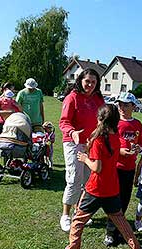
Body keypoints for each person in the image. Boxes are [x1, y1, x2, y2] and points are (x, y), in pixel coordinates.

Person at [64, 104, 142, 249]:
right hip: (112, 189)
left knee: (77, 220)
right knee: (121, 222)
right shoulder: (116, 138)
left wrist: (84, 159)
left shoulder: (98, 140)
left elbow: (97, 167)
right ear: (116, 121)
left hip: (95, 189)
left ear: (99, 119)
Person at [59, 68, 104, 232]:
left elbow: (103, 119)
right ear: (80, 81)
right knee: (74, 179)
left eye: (93, 82)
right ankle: (65, 215)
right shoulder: (72, 98)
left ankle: (81, 212)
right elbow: (63, 122)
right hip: (73, 143)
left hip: (91, 144)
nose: (90, 85)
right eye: (87, 81)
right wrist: (73, 132)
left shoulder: (98, 98)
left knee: (88, 180)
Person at [104, 92, 142, 246]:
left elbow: (141, 144)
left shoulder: (137, 124)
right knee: (114, 201)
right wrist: (119, 151)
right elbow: (107, 144)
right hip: (115, 168)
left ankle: (119, 230)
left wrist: (137, 148)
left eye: (126, 105)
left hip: (129, 168)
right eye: (120, 104)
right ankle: (109, 232)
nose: (121, 107)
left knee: (124, 200)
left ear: (133, 106)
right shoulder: (114, 123)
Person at [0, 83, 22, 171]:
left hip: (9, 125)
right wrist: (10, 111)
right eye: (12, 89)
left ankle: (7, 166)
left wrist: (16, 106)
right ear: (6, 89)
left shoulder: (12, 100)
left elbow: (20, 110)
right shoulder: (0, 100)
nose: (13, 91)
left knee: (8, 146)